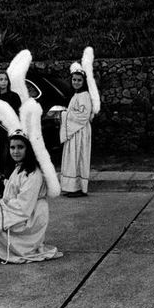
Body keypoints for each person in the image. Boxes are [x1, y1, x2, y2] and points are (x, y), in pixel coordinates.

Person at [0, 101, 63, 264]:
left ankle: (18, 247)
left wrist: (2, 211)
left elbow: (24, 206)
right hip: (20, 212)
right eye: (12, 147)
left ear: (28, 149)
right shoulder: (18, 168)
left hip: (31, 217)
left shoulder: (33, 173)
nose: (15, 151)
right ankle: (2, 246)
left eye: (20, 147)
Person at [60, 48, 99, 197]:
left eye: (79, 80)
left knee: (78, 158)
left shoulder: (84, 95)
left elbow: (83, 115)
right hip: (74, 131)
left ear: (83, 82)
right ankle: (71, 187)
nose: (76, 82)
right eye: (74, 80)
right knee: (72, 158)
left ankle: (78, 188)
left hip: (80, 132)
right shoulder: (76, 95)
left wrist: (64, 115)